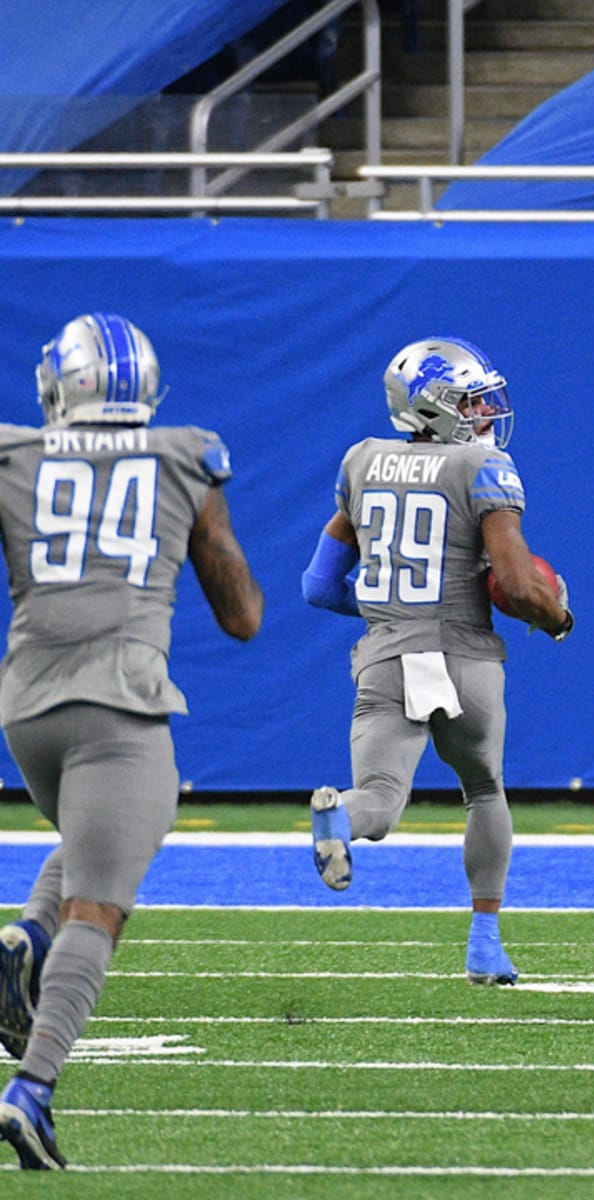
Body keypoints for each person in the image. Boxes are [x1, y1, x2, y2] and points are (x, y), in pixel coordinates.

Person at [0, 313, 264, 1168]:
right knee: (101, 903)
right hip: (120, 698)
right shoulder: (186, 455)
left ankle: (26, 942)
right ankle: (31, 1090)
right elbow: (243, 617)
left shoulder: (15, 454)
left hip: (27, 709)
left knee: (109, 832)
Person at [301, 335, 572, 986]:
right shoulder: (482, 467)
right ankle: (485, 944)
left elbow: (317, 585)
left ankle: (339, 814)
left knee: (382, 799)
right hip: (460, 654)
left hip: (388, 652)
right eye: (469, 401)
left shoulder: (361, 462)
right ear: (432, 407)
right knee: (483, 788)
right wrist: (557, 617)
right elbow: (517, 581)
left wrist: (390, 611)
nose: (484, 414)